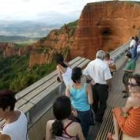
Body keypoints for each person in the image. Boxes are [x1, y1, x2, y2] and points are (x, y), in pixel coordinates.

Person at [108, 74, 140, 140]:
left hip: (132, 130)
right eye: (129, 83)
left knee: (115, 110)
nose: (129, 86)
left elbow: (124, 110)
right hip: (138, 130)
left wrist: (121, 109)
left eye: (133, 85)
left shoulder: (132, 99)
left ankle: (116, 135)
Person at [83, 50, 112, 123]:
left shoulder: (91, 63)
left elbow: (85, 73)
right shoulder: (104, 65)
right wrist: (110, 86)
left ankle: (96, 114)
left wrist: (91, 80)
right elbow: (108, 79)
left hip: (93, 86)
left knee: (94, 102)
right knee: (103, 103)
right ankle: (98, 117)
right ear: (103, 57)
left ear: (96, 56)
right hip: (102, 87)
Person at [66, 67, 93, 139]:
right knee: (84, 130)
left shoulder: (68, 86)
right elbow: (90, 102)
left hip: (74, 111)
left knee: (75, 128)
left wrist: (73, 110)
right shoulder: (87, 86)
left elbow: (67, 102)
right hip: (85, 112)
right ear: (80, 76)